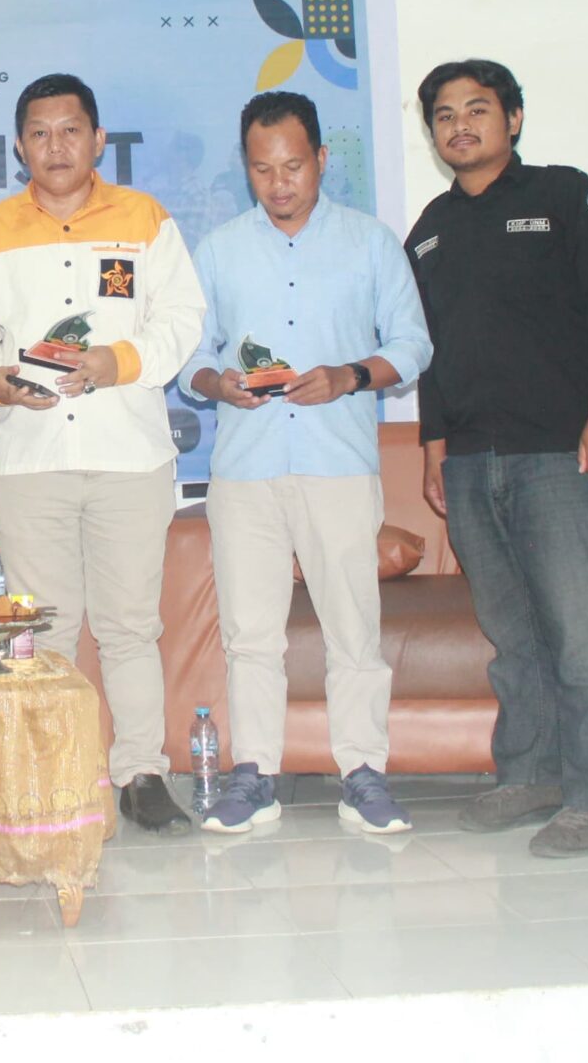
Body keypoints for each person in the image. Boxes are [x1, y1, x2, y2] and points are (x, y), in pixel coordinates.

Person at [0, 73, 207, 834]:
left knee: (129, 627)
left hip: (130, 456)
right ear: (19, 146)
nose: (56, 146)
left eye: (70, 131)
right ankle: (52, 776)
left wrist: (115, 362)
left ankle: (141, 773)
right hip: (32, 460)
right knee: (45, 628)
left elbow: (181, 317)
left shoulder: (145, 219)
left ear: (97, 139)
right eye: (40, 133)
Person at [407, 59, 588, 858]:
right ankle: (531, 773)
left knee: (582, 635)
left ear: (513, 117)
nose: (461, 126)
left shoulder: (565, 196)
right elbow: (428, 353)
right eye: (445, 115)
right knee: (513, 637)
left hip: (559, 454)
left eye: (477, 109)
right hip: (471, 464)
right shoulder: (429, 231)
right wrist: (435, 450)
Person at [183, 91, 432, 835]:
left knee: (354, 628)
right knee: (249, 633)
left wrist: (349, 376)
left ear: (322, 158)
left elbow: (413, 345)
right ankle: (254, 774)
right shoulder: (219, 249)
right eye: (263, 169)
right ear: (246, 168)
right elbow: (190, 359)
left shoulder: (370, 242)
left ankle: (363, 772)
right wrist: (218, 384)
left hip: (337, 461)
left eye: (293, 165)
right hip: (246, 467)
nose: (279, 183)